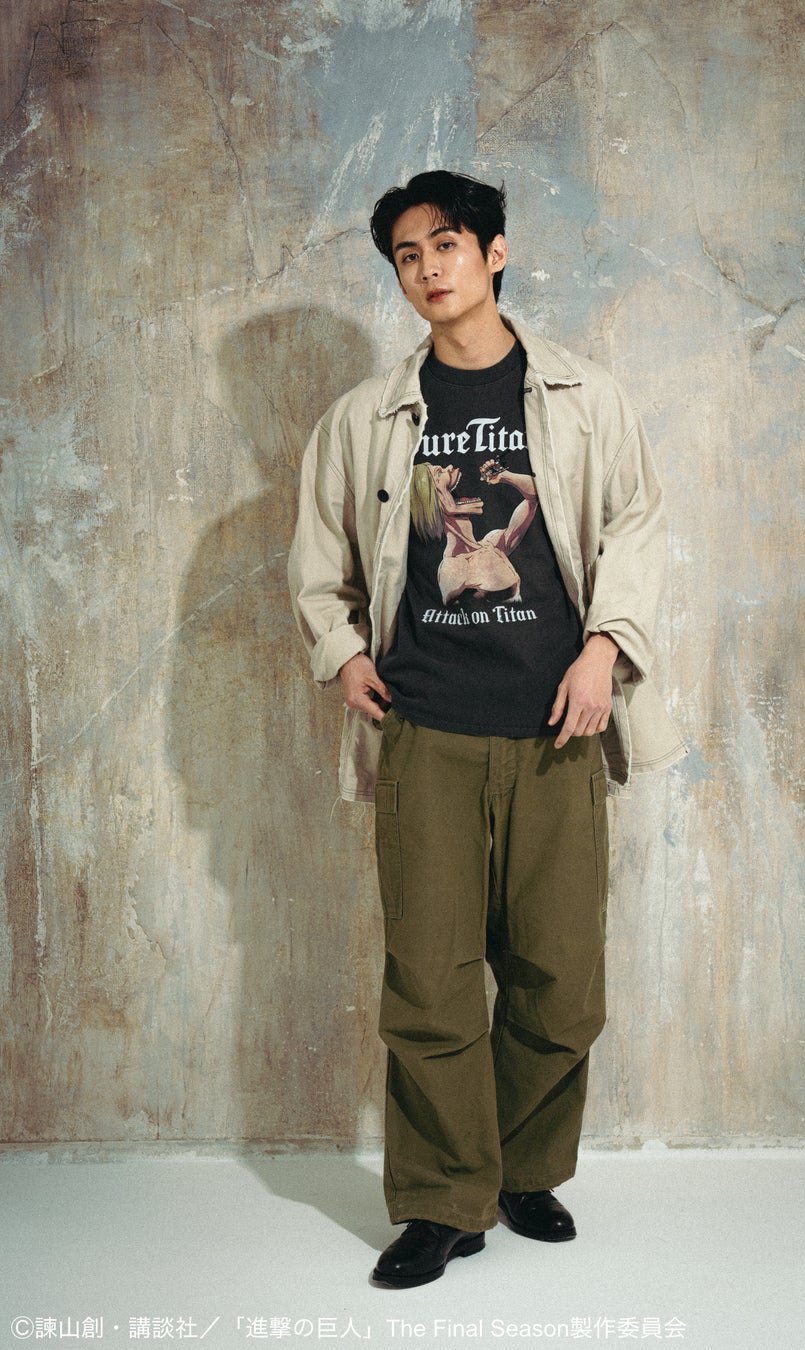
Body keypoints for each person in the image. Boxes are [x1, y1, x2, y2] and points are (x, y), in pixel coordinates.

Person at [288, 170, 685, 1289]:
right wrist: (344, 653)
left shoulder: (584, 396)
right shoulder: (367, 419)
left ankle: (521, 1172)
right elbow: (320, 559)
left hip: (558, 729)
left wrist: (606, 649)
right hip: (427, 732)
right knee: (431, 980)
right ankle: (440, 1200)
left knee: (560, 980)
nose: (429, 269)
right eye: (408, 255)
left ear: (496, 252)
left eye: (448, 244)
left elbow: (635, 529)